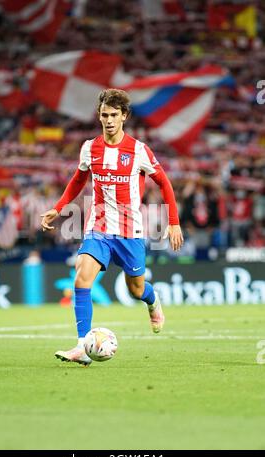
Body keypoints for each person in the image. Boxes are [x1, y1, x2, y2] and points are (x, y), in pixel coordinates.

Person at [41, 89, 183, 366]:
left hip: (130, 233)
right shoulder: (89, 148)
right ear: (99, 116)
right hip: (99, 229)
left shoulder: (139, 150)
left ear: (124, 117)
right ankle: (83, 347)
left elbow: (164, 183)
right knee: (81, 278)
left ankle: (153, 302)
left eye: (114, 115)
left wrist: (174, 223)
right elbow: (78, 181)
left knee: (136, 289)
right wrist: (58, 208)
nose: (108, 120)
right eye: (104, 115)